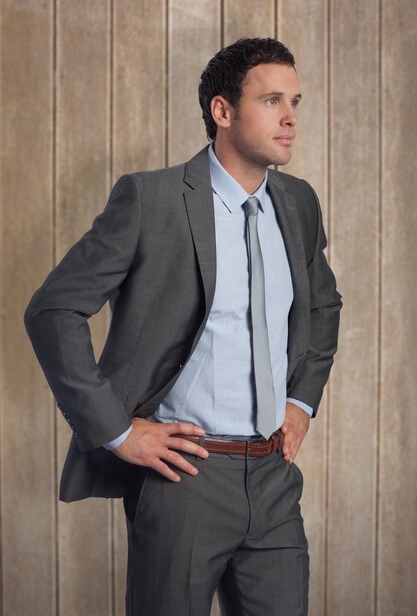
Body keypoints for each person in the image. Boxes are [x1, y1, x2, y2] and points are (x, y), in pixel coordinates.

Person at [24, 37, 342, 616]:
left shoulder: (298, 203)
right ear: (223, 112)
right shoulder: (153, 200)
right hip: (184, 480)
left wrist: (302, 401)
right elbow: (53, 310)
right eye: (272, 100)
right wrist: (119, 431)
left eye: (295, 100)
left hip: (274, 479)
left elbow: (323, 306)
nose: (291, 116)